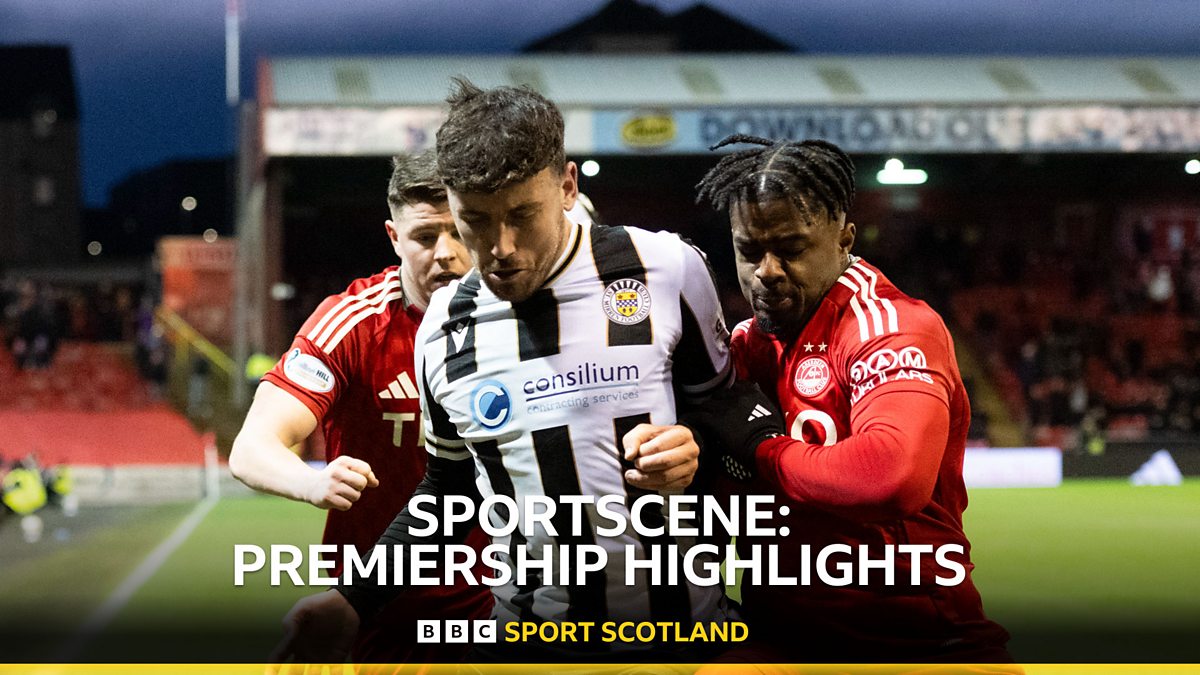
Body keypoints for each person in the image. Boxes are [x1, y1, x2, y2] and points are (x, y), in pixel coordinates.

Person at [271, 79, 739, 665]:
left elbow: (731, 419)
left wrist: (697, 449)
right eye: (477, 221)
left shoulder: (665, 269)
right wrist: (354, 600)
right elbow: (449, 487)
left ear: (567, 186)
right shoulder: (444, 326)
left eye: (522, 215)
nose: (501, 248)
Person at [686, 134, 1012, 663]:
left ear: (844, 237)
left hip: (918, 649)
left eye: (791, 249)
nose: (766, 271)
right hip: (782, 644)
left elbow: (892, 476)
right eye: (749, 251)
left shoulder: (891, 327)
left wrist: (762, 449)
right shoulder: (744, 347)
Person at [229, 151, 492, 664]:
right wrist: (310, 482)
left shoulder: (516, 314)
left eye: (460, 232)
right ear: (394, 237)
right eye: (425, 237)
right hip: (383, 609)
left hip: (506, 604)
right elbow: (251, 447)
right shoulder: (353, 323)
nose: (446, 253)